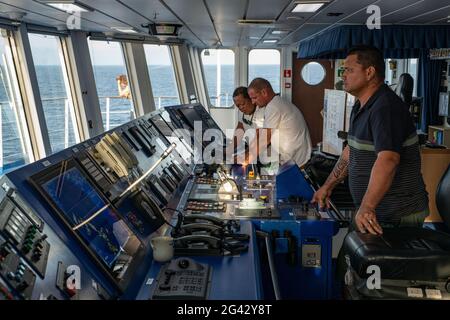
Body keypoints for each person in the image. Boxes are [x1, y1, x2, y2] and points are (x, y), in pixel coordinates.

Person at [311, 45, 429, 236]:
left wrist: (367, 207)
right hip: (374, 212)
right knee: (351, 262)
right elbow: (352, 151)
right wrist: (328, 185)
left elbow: (388, 160)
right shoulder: (361, 106)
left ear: (369, 72)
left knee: (363, 264)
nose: (343, 75)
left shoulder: (385, 108)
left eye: (349, 70)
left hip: (395, 214)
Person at [245, 78, 312, 169]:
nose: (253, 102)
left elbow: (265, 138)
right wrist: (247, 153)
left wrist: (245, 161)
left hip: (297, 161)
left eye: (254, 98)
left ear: (264, 92)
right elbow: (260, 134)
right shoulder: (275, 103)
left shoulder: (273, 107)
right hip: (292, 157)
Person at [226, 86, 265, 157]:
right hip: (252, 148)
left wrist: (245, 155)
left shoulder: (262, 112)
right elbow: (240, 129)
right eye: (238, 106)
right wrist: (229, 149)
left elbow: (259, 140)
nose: (241, 108)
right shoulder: (242, 111)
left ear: (251, 99)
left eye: (243, 104)